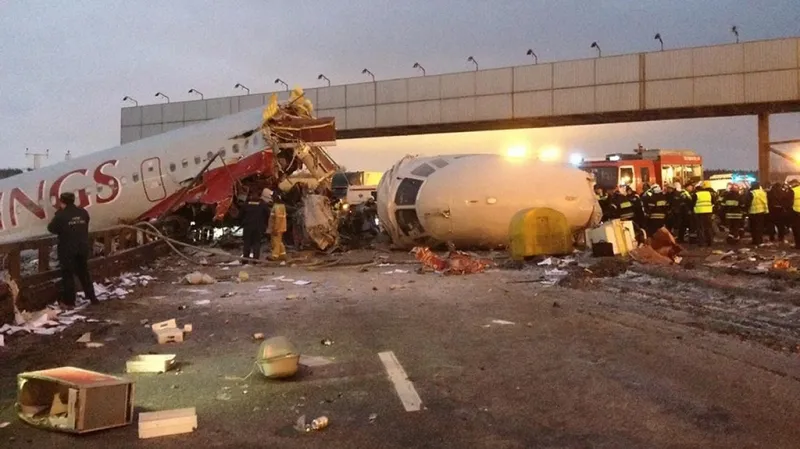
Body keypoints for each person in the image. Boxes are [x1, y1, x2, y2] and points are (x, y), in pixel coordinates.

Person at [47, 192, 98, 308]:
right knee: (84, 273)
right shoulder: (83, 212)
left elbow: (51, 228)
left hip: (67, 249)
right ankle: (92, 297)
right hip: (83, 247)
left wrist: (59, 214)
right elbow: (86, 223)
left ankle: (70, 302)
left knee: (68, 275)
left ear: (62, 202)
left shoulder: (61, 215)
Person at [240, 189, 270, 263]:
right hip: (258, 227)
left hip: (248, 227)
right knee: (256, 243)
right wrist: (265, 224)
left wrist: (243, 222)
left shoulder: (246, 205)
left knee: (247, 243)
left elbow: (240, 216)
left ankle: (245, 260)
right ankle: (255, 260)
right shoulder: (263, 205)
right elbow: (268, 215)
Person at [692, 181, 717, 247]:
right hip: (708, 212)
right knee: (708, 227)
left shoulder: (696, 194)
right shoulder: (709, 194)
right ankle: (710, 242)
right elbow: (714, 202)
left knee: (700, 228)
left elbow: (692, 203)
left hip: (699, 212)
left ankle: (701, 243)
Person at [746, 181, 768, 246]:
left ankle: (755, 241)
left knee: (753, 228)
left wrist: (746, 210)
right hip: (761, 212)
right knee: (760, 227)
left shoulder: (752, 193)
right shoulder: (763, 192)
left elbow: (748, 202)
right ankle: (760, 241)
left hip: (753, 212)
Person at [268, 191, 287, 260]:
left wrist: (275, 229)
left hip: (277, 228)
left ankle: (274, 256)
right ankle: (282, 254)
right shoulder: (281, 206)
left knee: (275, 242)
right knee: (279, 241)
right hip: (280, 227)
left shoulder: (277, 207)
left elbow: (278, 219)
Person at [791, 180, 800, 250]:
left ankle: (798, 245)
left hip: (795, 211)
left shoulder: (792, 191)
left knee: (796, 229)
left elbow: (788, 202)